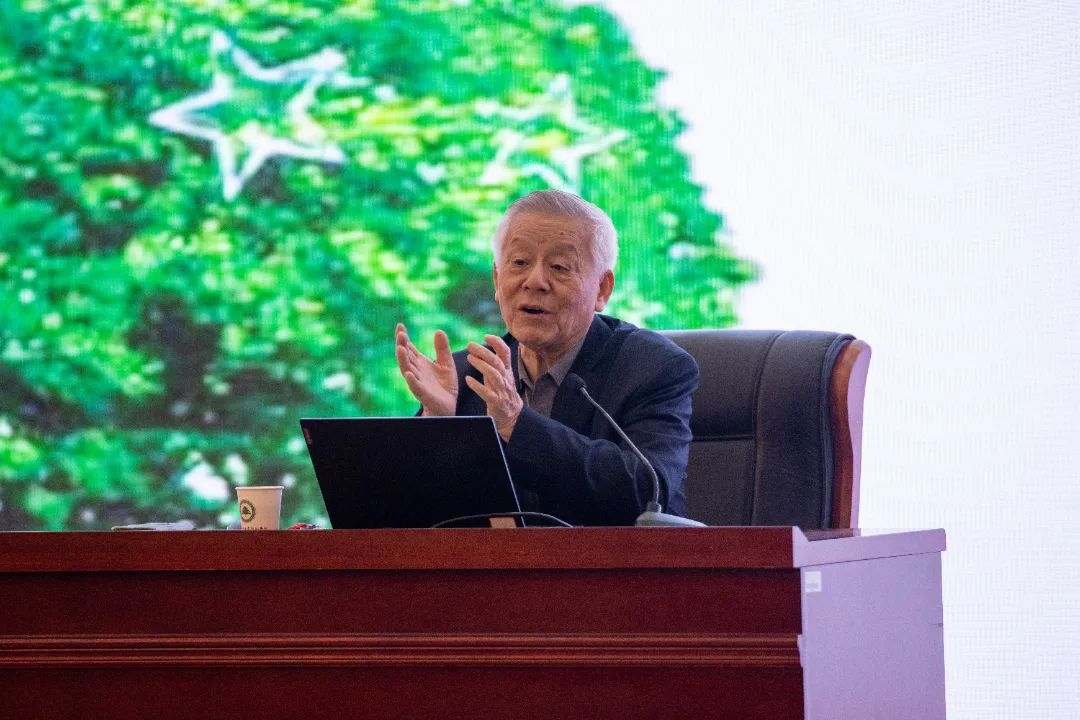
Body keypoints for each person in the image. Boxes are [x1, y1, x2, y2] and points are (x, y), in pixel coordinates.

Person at [395, 190, 699, 526]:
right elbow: (407, 517)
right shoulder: (467, 376)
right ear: (497, 279)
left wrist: (515, 423)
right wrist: (436, 427)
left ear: (602, 290)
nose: (535, 281)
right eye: (519, 263)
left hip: (609, 561)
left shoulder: (654, 368)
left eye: (559, 267)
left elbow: (648, 494)